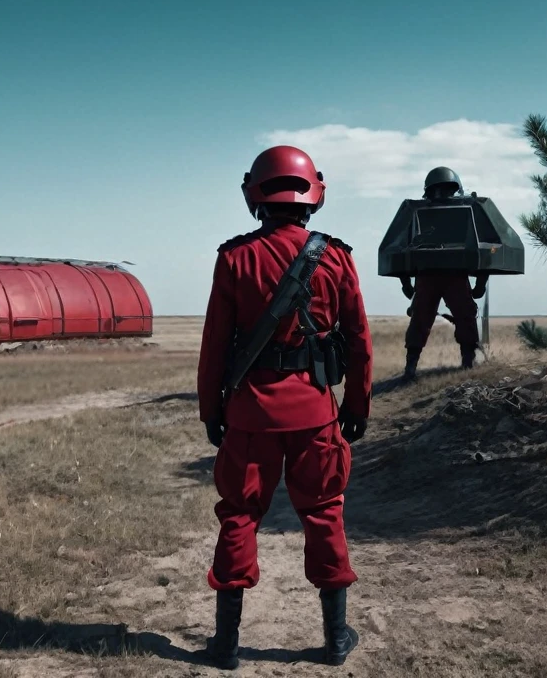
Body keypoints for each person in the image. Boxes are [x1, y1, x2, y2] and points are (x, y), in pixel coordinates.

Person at [196, 144, 374, 669]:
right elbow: (359, 340)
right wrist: (357, 402)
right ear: (312, 192)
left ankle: (226, 647)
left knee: (239, 517)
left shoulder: (234, 258)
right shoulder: (336, 257)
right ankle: (336, 640)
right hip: (317, 415)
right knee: (323, 514)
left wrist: (212, 410)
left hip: (249, 416)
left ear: (255, 192)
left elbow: (214, 345)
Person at [400, 167, 489, 381]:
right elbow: (482, 249)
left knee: (452, 316)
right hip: (444, 277)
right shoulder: (466, 209)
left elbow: (400, 250)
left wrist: (406, 283)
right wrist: (480, 283)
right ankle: (464, 363)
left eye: (444, 190)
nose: (441, 195)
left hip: (440, 277)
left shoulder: (418, 211)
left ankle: (462, 361)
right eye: (439, 191)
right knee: (431, 318)